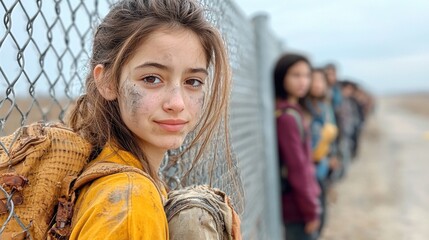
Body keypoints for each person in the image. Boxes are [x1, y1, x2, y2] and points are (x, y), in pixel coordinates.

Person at [66, 0, 235, 239]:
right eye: (152, 79)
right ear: (107, 82)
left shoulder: (120, 179)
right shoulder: (132, 203)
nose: (177, 103)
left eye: (193, 82)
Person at [274, 53, 321, 240]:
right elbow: (298, 168)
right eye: (296, 75)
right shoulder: (287, 118)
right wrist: (311, 210)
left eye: (307, 75)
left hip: (299, 203)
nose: (303, 81)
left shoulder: (293, 111)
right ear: (282, 76)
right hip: (297, 207)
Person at [305, 68, 339, 238]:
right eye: (314, 80)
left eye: (321, 81)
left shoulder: (325, 107)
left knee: (323, 214)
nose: (318, 84)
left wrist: (332, 155)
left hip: (323, 168)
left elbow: (332, 135)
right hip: (308, 170)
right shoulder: (303, 109)